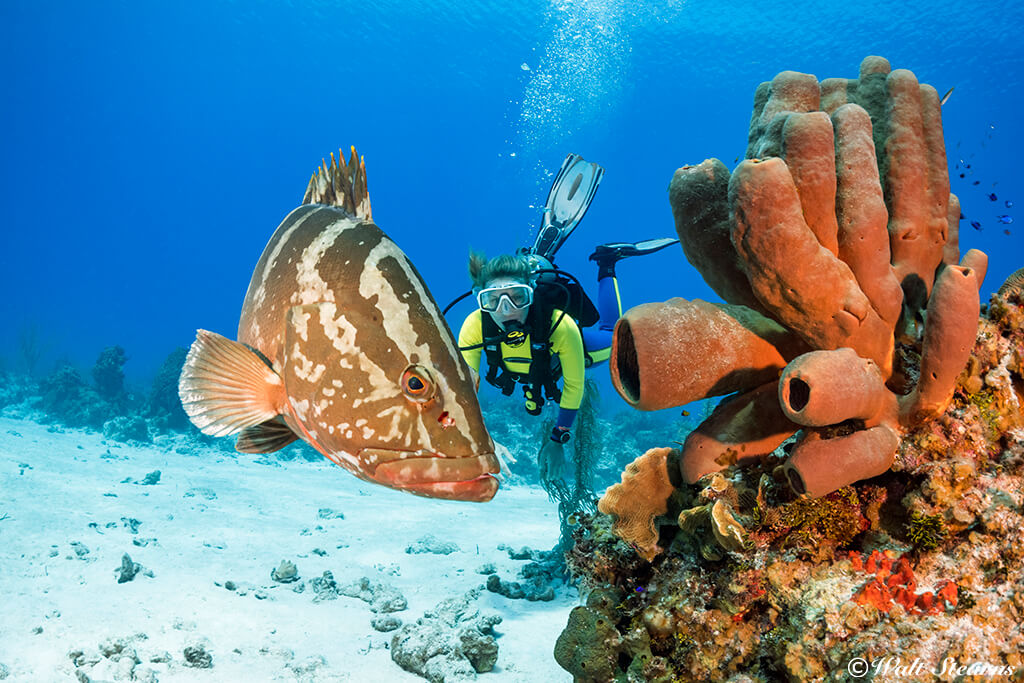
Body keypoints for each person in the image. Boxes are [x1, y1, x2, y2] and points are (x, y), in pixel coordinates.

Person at [457, 238, 677, 482]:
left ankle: (607, 264)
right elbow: (463, 388)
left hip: (561, 356)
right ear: (481, 301)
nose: (505, 309)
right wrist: (479, 438)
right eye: (492, 300)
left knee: (614, 336)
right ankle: (539, 258)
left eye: (517, 297)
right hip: (535, 365)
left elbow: (574, 385)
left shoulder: (562, 326)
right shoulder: (475, 326)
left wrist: (557, 438)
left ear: (531, 293)